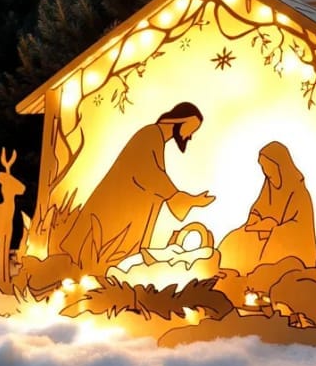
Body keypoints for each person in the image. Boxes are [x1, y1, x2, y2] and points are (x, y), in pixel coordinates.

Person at [61, 102, 214, 270]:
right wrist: (183, 198)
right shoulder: (149, 135)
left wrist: (181, 198)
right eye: (192, 129)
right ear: (180, 120)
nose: (190, 136)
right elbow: (147, 173)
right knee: (95, 256)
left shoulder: (156, 139)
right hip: (113, 211)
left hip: (125, 214)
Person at [219, 141, 316, 274]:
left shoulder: (299, 193)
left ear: (279, 166)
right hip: (263, 233)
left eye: (268, 167)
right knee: (237, 237)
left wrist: (274, 229)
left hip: (285, 244)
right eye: (263, 168)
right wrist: (255, 218)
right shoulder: (269, 185)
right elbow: (259, 207)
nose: (266, 172)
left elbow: (299, 228)